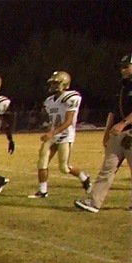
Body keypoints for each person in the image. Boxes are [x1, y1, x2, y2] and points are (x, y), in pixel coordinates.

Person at [76, 52, 132, 213]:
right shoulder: (122, 86)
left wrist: (123, 124)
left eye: (126, 67)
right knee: (107, 168)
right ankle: (94, 202)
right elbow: (112, 111)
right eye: (121, 67)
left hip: (129, 132)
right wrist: (106, 132)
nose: (122, 70)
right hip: (117, 134)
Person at [28, 71, 91, 199]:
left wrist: (52, 132)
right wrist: (46, 126)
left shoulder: (71, 97)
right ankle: (43, 191)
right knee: (42, 162)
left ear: (64, 83)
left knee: (64, 168)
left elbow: (68, 122)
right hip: (53, 135)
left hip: (65, 135)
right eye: (52, 83)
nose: (53, 85)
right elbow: (51, 119)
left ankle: (85, 178)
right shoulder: (49, 101)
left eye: (56, 83)